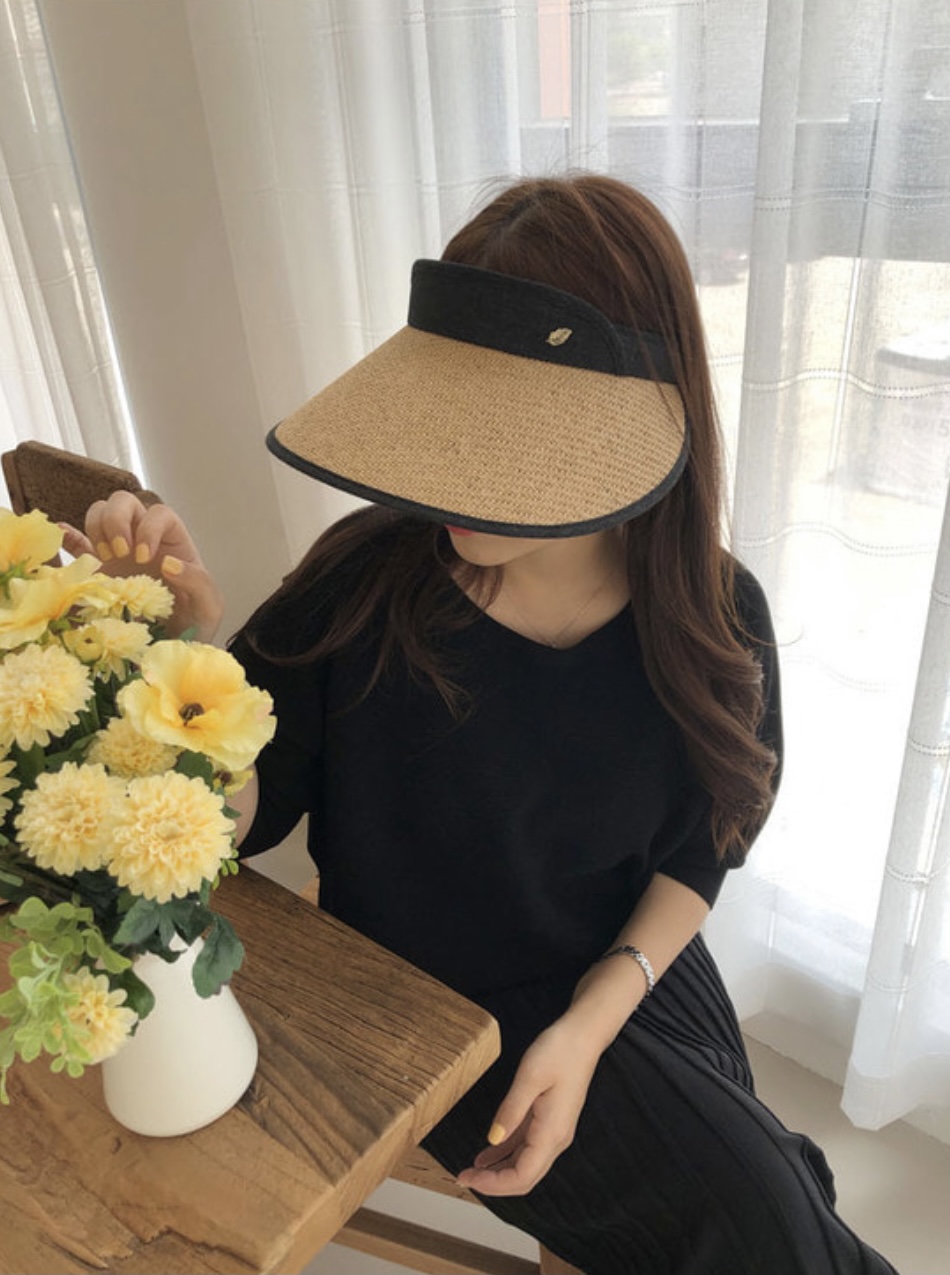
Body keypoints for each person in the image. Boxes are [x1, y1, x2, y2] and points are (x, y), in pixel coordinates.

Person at [66, 175, 899, 1275]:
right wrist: (186, 660)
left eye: (506, 444)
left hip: (628, 959)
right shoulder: (362, 587)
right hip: (430, 1008)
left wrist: (594, 1015)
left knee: (770, 1203)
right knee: (768, 1221)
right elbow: (236, 827)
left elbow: (705, 845)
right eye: (444, 424)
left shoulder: (712, 612)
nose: (456, 479)